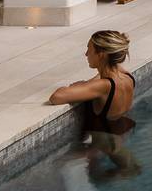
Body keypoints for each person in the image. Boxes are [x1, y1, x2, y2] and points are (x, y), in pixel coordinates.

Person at [48, 30, 141, 178]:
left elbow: (56, 97)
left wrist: (73, 88)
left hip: (106, 141)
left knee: (58, 166)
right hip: (119, 132)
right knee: (130, 168)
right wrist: (87, 84)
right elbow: (99, 81)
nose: (86, 54)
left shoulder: (104, 85)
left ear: (101, 54)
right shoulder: (125, 75)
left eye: (89, 50)